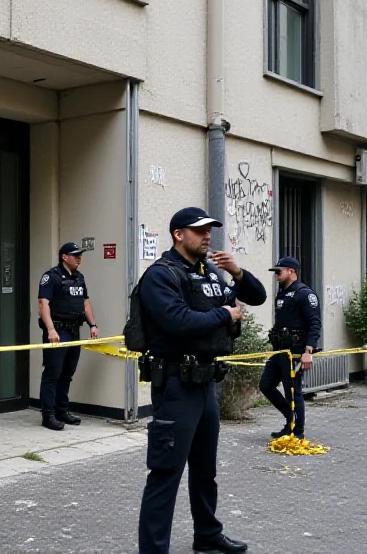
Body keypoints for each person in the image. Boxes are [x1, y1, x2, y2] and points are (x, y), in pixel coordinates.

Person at [137, 207, 267, 554]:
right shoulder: (160, 275)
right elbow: (178, 321)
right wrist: (225, 313)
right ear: (179, 234)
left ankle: (207, 535)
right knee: (166, 474)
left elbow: (256, 296)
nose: (207, 235)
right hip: (177, 384)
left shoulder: (209, 272)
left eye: (210, 229)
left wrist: (236, 272)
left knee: (205, 471)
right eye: (199, 230)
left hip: (206, 383)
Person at [37, 242, 98, 431]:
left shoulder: (79, 278)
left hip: (74, 330)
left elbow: (85, 303)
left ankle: (62, 410)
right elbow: (43, 303)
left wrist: (93, 325)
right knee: (52, 373)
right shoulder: (51, 277)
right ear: (64, 257)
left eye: (80, 255)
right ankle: (48, 415)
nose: (79, 258)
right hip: (58, 330)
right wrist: (50, 330)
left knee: (67, 374)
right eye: (75, 255)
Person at [261, 256, 321, 440]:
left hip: (295, 352)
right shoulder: (282, 292)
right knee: (266, 385)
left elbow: (315, 323)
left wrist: (308, 351)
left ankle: (297, 432)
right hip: (280, 351)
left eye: (279, 271)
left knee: (293, 392)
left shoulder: (304, 294)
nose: (276, 274)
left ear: (291, 271)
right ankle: (290, 418)